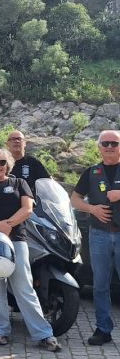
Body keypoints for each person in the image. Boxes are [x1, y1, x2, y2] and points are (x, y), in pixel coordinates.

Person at [0, 147, 61, 351]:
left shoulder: (19, 183)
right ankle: (1, 332)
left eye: (2, 162)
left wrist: (8, 225)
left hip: (16, 241)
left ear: (8, 165)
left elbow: (27, 209)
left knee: (24, 288)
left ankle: (43, 334)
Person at [70, 129, 120, 346]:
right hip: (99, 235)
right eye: (105, 143)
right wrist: (92, 209)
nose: (109, 147)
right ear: (99, 147)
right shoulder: (91, 172)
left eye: (114, 143)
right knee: (100, 285)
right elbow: (75, 199)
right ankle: (103, 329)